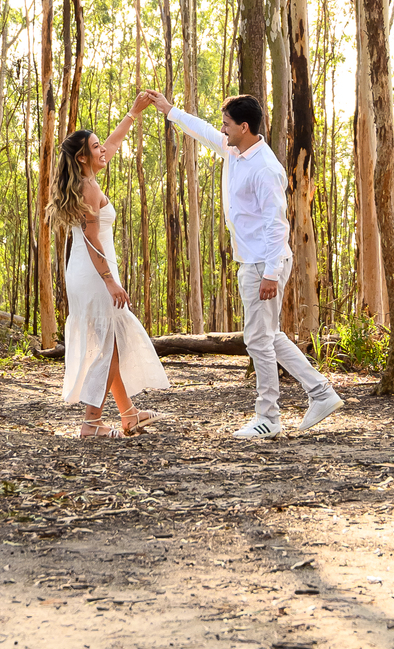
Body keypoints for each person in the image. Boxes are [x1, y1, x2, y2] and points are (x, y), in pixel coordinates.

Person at [146, 91, 342, 438]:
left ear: (245, 127)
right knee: (268, 335)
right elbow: (204, 131)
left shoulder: (266, 168)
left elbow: (276, 225)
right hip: (251, 261)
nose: (222, 130)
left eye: (227, 125)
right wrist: (170, 110)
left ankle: (268, 417)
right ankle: (321, 392)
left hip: (264, 263)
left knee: (257, 341)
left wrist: (270, 273)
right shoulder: (234, 151)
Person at [47, 95, 170, 440]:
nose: (105, 150)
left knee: (109, 342)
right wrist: (111, 281)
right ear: (83, 157)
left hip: (88, 272)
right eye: (96, 147)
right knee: (107, 345)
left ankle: (128, 414)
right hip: (93, 273)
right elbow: (91, 240)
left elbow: (113, 145)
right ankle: (91, 423)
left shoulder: (87, 179)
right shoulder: (89, 187)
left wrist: (133, 112)